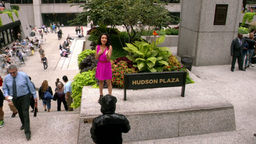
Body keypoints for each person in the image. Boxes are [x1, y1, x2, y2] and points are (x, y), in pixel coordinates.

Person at [2, 65, 37, 140]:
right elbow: (5, 88)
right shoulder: (7, 78)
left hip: (24, 96)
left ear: (17, 70)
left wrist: (34, 94)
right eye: (10, 73)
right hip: (14, 98)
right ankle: (23, 124)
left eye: (13, 72)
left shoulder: (23, 75)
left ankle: (27, 132)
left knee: (25, 112)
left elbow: (30, 85)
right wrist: (6, 95)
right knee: (20, 112)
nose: (12, 74)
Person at [95, 33, 113, 102]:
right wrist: (99, 53)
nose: (104, 39)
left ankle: (110, 97)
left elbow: (108, 59)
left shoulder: (109, 47)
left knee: (108, 82)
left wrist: (106, 55)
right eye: (103, 38)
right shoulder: (97, 47)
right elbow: (96, 58)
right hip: (100, 65)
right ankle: (101, 95)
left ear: (107, 39)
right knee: (101, 81)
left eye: (105, 38)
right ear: (100, 39)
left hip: (107, 65)